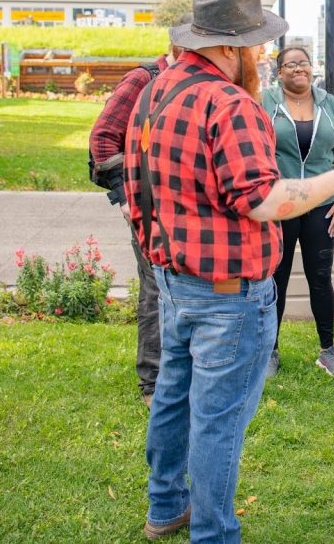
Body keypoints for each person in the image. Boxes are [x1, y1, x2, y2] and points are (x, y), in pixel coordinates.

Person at [124, 0, 334, 542]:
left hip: (173, 281)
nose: (263, 55)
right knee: (217, 422)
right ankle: (214, 532)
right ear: (228, 48)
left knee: (173, 397)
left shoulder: (154, 91)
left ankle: (166, 504)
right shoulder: (230, 102)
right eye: (256, 44)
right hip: (227, 296)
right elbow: (264, 200)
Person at [89, 29, 185, 409]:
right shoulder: (144, 78)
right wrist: (125, 198)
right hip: (146, 205)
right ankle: (153, 382)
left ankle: (175, 373)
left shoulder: (189, 83)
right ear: (179, 47)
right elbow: (102, 138)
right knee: (156, 288)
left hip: (181, 208)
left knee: (177, 288)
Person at [262, 46, 334, 379]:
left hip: (322, 206)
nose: (298, 69)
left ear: (311, 68)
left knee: (321, 277)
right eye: (290, 64)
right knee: (277, 279)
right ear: (279, 72)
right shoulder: (265, 103)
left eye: (303, 63)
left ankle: (327, 351)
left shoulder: (330, 105)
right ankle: (269, 351)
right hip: (282, 203)